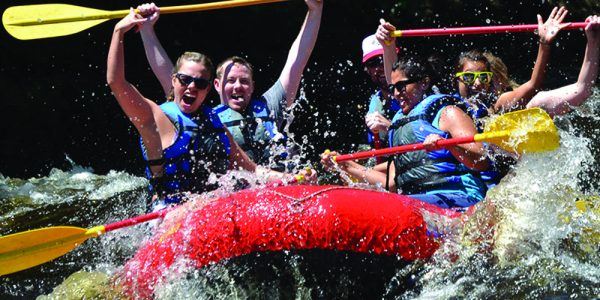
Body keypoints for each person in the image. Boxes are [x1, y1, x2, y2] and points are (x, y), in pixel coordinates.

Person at [107, 8, 313, 211]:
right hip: (169, 215)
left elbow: (252, 169)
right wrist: (119, 31)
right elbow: (116, 82)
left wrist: (292, 179)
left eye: (199, 84)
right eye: (185, 80)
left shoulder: (214, 123)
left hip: (209, 211)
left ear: (208, 90)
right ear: (174, 81)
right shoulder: (154, 118)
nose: (191, 87)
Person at [136, 1, 323, 171]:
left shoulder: (271, 106)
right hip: (235, 194)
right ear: (216, 85)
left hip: (277, 185)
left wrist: (315, 9)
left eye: (244, 81)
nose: (238, 86)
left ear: (252, 86)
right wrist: (147, 30)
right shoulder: (205, 116)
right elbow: (172, 78)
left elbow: (297, 61)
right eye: (231, 80)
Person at [322, 53, 490, 209]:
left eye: (401, 86)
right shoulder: (398, 125)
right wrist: (346, 166)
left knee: (394, 207)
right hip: (418, 201)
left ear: (424, 83)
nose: (396, 93)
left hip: (462, 198)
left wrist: (450, 146)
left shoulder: (448, 113)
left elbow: (481, 161)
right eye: (393, 87)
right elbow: (392, 183)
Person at [527, 15, 600, 117]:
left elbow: (581, 90)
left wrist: (594, 41)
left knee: (539, 103)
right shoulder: (502, 108)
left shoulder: (535, 107)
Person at [361, 34, 400, 150]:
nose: (381, 67)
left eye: (384, 60)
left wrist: (389, 127)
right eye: (373, 63)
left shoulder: (415, 95)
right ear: (367, 70)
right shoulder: (375, 103)